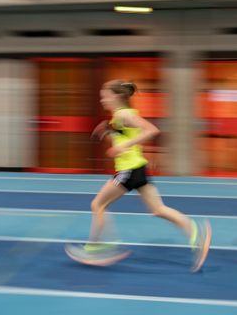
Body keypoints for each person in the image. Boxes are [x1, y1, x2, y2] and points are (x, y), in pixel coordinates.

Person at [65, 80, 211, 272]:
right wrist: (108, 130)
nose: (102, 100)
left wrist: (123, 145)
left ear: (116, 97)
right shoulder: (121, 116)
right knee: (158, 209)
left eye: (104, 96)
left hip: (128, 170)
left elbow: (152, 130)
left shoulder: (123, 114)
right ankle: (195, 231)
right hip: (138, 168)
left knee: (98, 204)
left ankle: (97, 245)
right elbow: (125, 132)